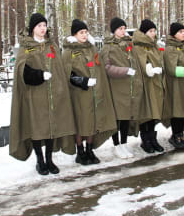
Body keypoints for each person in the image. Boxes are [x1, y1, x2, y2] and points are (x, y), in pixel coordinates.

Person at [9, 13, 76, 175]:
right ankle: (40, 161)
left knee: (51, 127)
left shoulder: (51, 45)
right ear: (33, 28)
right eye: (39, 26)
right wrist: (39, 75)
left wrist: (60, 87)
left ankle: (50, 159)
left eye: (44, 26)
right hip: (34, 94)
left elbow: (59, 67)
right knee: (37, 128)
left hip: (53, 94)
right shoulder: (27, 46)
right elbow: (21, 70)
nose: (43, 29)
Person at [63, 19, 116, 165]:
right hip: (79, 94)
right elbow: (67, 75)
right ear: (74, 34)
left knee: (93, 122)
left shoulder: (92, 49)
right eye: (81, 32)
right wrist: (84, 81)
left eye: (86, 32)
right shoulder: (69, 51)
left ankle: (90, 150)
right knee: (81, 123)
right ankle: (80, 152)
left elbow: (99, 68)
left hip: (94, 93)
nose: (84, 35)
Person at [101, 17, 143, 158]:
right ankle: (116, 145)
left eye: (124, 28)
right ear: (114, 31)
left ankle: (124, 144)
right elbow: (106, 67)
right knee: (117, 118)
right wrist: (125, 71)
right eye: (120, 29)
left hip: (128, 87)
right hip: (115, 87)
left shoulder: (128, 44)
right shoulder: (108, 46)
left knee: (125, 117)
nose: (123, 31)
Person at [132, 19, 165, 153]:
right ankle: (145, 140)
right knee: (145, 112)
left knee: (153, 112)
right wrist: (149, 68)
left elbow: (159, 58)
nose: (153, 33)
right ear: (144, 32)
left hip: (154, 82)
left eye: (154, 30)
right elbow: (140, 61)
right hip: (144, 83)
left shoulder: (154, 45)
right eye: (151, 31)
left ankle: (153, 138)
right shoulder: (138, 45)